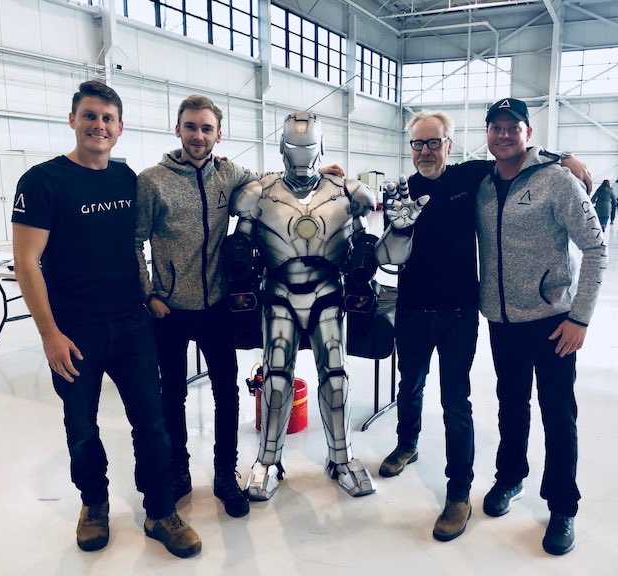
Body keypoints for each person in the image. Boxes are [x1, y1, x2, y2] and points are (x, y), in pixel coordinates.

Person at [376, 110, 594, 543]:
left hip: (461, 313)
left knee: (457, 402)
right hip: (415, 310)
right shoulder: (402, 191)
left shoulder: (471, 178)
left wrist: (564, 157)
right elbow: (389, 257)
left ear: (449, 144)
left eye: (433, 142)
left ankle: (460, 493)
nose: (425, 151)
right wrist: (393, 226)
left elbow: (517, 154)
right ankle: (408, 444)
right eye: (418, 143)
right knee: (411, 385)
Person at [11, 80, 201, 558]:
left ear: (120, 128)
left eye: (107, 119)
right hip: (75, 332)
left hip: (132, 324)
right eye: (90, 116)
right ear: (73, 120)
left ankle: (160, 511)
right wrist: (50, 334)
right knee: (82, 426)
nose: (99, 125)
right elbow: (27, 263)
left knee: (151, 423)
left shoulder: (125, 178)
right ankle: (93, 504)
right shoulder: (42, 181)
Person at [135, 97, 343, 517]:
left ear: (219, 134)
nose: (198, 136)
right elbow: (134, 240)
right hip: (170, 308)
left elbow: (276, 182)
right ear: (178, 129)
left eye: (206, 128)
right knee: (172, 395)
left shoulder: (230, 174)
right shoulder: (152, 181)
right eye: (191, 127)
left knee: (226, 396)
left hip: (216, 304)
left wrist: (315, 176)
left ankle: (224, 474)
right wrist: (149, 293)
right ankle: (178, 471)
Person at [477, 97, 607, 556]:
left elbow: (595, 248)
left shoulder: (557, 180)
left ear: (528, 134)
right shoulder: (483, 184)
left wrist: (580, 317)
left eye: (513, 127)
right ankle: (511, 477)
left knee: (558, 414)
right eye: (496, 127)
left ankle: (562, 505)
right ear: (487, 134)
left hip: (553, 323)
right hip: (502, 320)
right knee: (510, 406)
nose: (504, 134)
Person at [226, 111, 377, 501]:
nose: (301, 155)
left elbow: (360, 238)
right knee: (276, 377)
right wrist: (239, 260)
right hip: (279, 291)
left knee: (336, 376)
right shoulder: (259, 192)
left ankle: (341, 458)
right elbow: (242, 238)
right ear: (282, 146)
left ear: (320, 147)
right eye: (294, 146)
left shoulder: (346, 192)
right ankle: (268, 460)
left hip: (328, 291)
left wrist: (364, 258)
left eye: (307, 147)